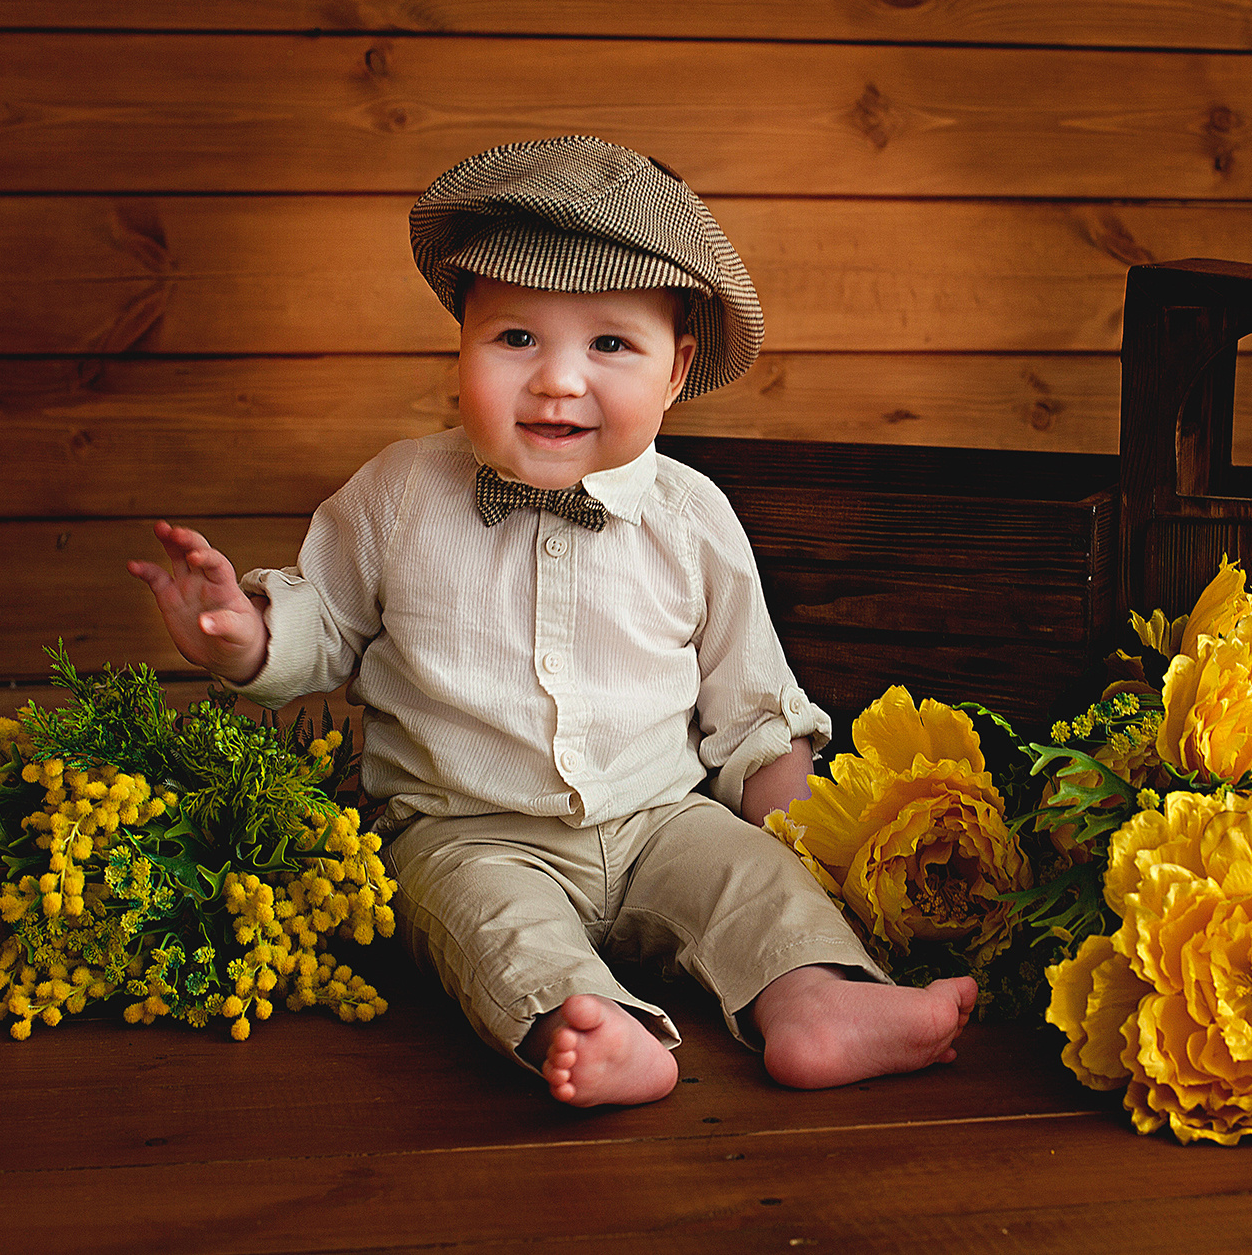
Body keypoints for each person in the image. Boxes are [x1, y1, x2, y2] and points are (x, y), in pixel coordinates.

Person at [129, 136, 976, 1107]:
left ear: (675, 368)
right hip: (468, 831)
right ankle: (585, 1021)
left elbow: (752, 703)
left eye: (609, 344)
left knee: (749, 881)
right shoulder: (400, 495)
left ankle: (814, 1000)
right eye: (516, 339)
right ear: (461, 344)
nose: (558, 380)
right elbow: (325, 621)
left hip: (659, 819)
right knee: (490, 924)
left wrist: (802, 845)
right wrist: (248, 635)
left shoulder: (691, 515)